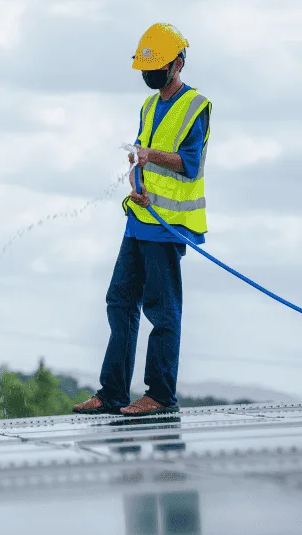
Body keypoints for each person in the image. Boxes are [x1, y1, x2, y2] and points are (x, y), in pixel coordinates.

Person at [73, 23, 212, 416]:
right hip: (140, 217)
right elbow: (140, 154)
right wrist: (137, 179)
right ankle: (112, 392)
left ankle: (160, 395)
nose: (149, 76)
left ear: (177, 64)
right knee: (119, 300)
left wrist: (151, 156)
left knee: (162, 309)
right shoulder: (150, 106)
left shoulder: (195, 107)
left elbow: (188, 163)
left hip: (167, 226)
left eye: (156, 68)